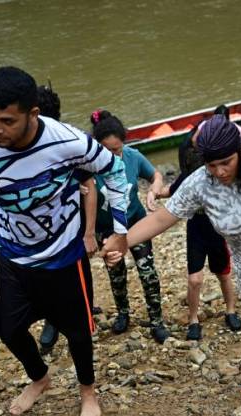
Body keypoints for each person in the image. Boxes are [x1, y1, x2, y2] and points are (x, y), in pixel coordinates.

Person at [0, 66, 131, 416]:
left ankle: (88, 390)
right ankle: (40, 378)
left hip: (64, 258)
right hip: (11, 254)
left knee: (78, 333)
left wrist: (119, 232)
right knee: (8, 329)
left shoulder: (68, 141)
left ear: (32, 114)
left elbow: (115, 171)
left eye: (7, 120)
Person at [105, 115, 241, 416]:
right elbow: (162, 218)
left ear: (240, 151)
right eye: (212, 165)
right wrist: (122, 241)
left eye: (226, 162)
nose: (220, 171)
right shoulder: (200, 183)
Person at [147, 125, 241, 340]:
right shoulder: (189, 179)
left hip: (217, 230)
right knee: (194, 279)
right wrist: (153, 193)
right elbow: (168, 191)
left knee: (224, 274)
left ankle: (231, 310)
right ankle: (193, 320)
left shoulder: (217, 176)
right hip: (196, 229)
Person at [90, 110, 169, 343]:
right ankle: (123, 313)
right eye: (107, 150)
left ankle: (156, 320)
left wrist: (154, 190)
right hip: (106, 229)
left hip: (136, 222)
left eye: (117, 150)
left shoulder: (133, 157)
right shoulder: (89, 166)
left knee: (148, 272)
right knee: (116, 274)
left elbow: (155, 175)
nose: (113, 155)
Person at [34, 84, 102, 355]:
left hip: (71, 226)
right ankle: (54, 319)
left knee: (76, 275)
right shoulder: (20, 145)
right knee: (46, 276)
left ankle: (79, 322)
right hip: (40, 229)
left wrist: (89, 233)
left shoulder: (70, 142)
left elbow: (91, 186)